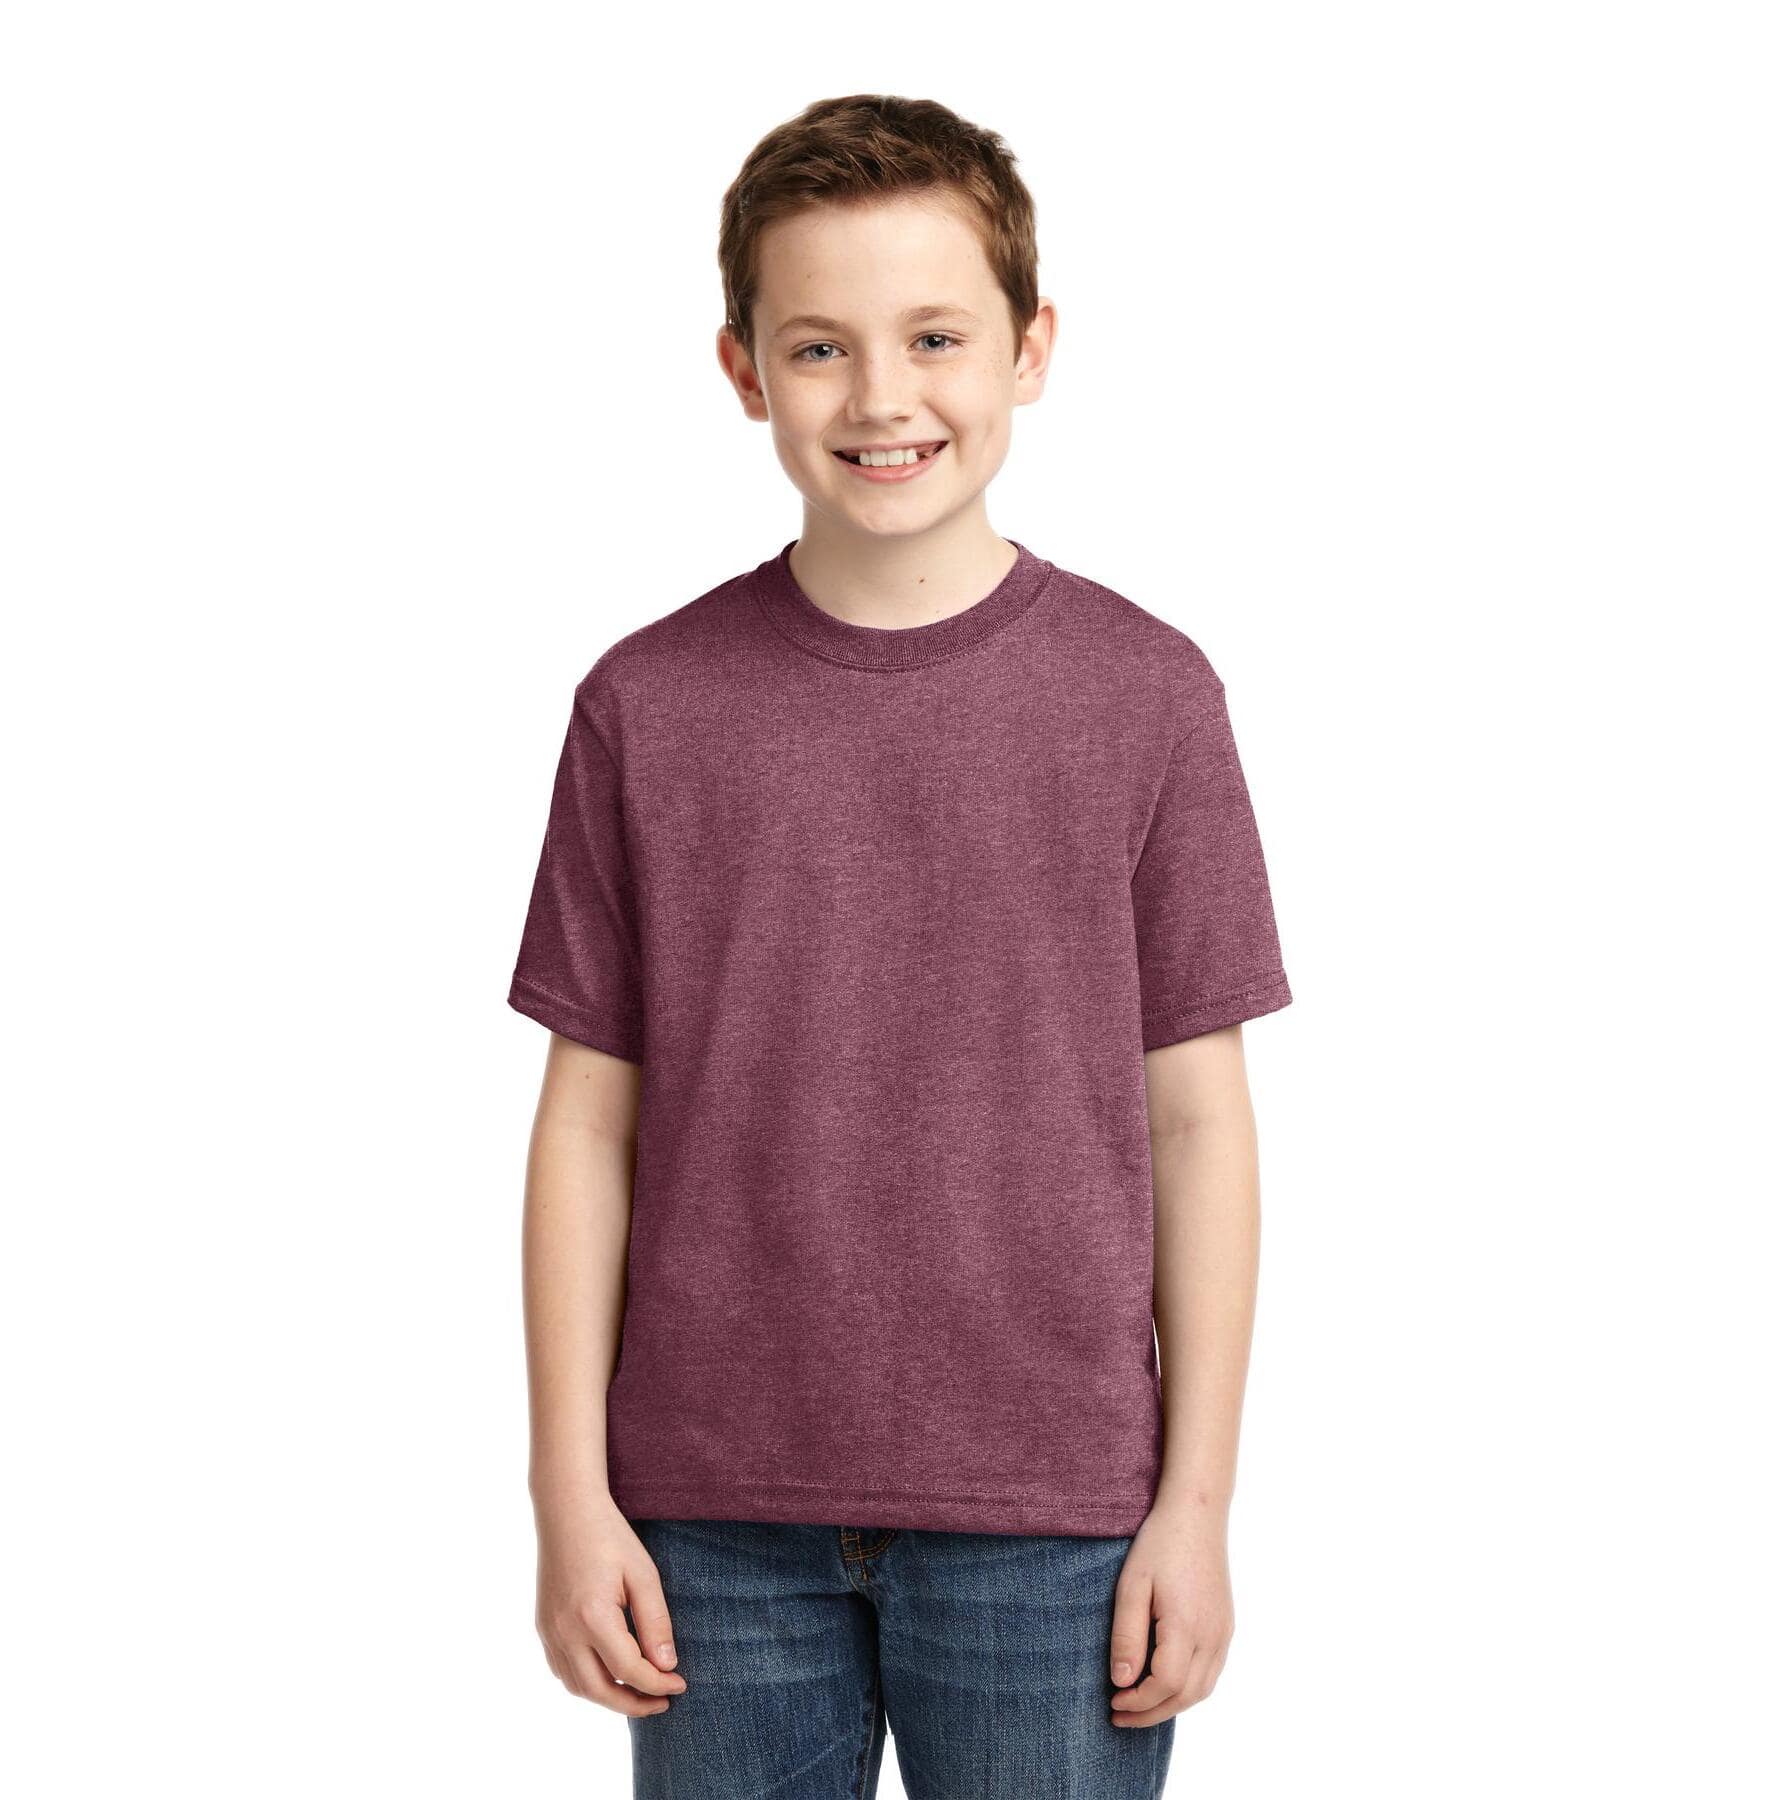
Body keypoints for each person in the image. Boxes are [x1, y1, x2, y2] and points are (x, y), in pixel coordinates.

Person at [506, 92, 1294, 1800]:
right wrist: (568, 1493)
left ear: (1031, 349)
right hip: (710, 1516)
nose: (881, 398)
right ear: (744, 371)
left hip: (1054, 1521)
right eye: (820, 347)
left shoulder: (1148, 697)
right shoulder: (646, 705)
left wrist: (1197, 1505)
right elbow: (586, 1126)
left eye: (936, 337)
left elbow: (1196, 1124)